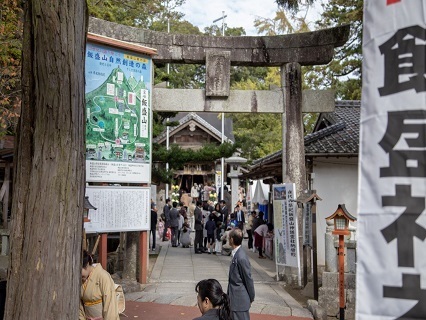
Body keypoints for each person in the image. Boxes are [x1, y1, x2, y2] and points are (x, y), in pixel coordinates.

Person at [80, 250, 119, 320]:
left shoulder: (103, 276)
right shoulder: (80, 280)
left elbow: (110, 304)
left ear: (87, 264)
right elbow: (79, 305)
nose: (80, 276)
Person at [227, 228, 255, 320]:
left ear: (231, 239)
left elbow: (248, 278)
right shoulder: (237, 254)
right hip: (235, 299)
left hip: (239, 301)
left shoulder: (241, 257)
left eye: (229, 237)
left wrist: (251, 297)